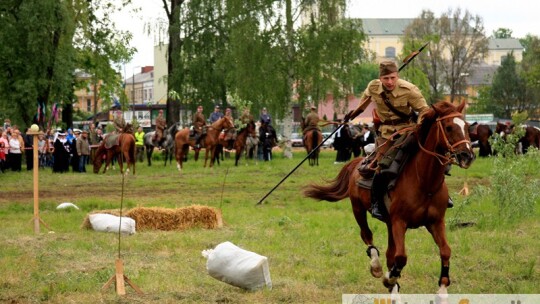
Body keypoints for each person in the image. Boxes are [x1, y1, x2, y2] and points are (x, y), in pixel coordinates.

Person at [344, 60, 430, 220]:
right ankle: (376, 203)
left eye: (392, 78)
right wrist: (350, 116)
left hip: (409, 131)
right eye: (386, 79)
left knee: (429, 158)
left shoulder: (409, 90)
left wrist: (419, 127)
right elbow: (362, 105)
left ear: (397, 75)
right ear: (380, 78)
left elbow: (424, 110)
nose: (390, 82)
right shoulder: (373, 87)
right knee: (381, 166)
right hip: (386, 134)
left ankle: (442, 197)